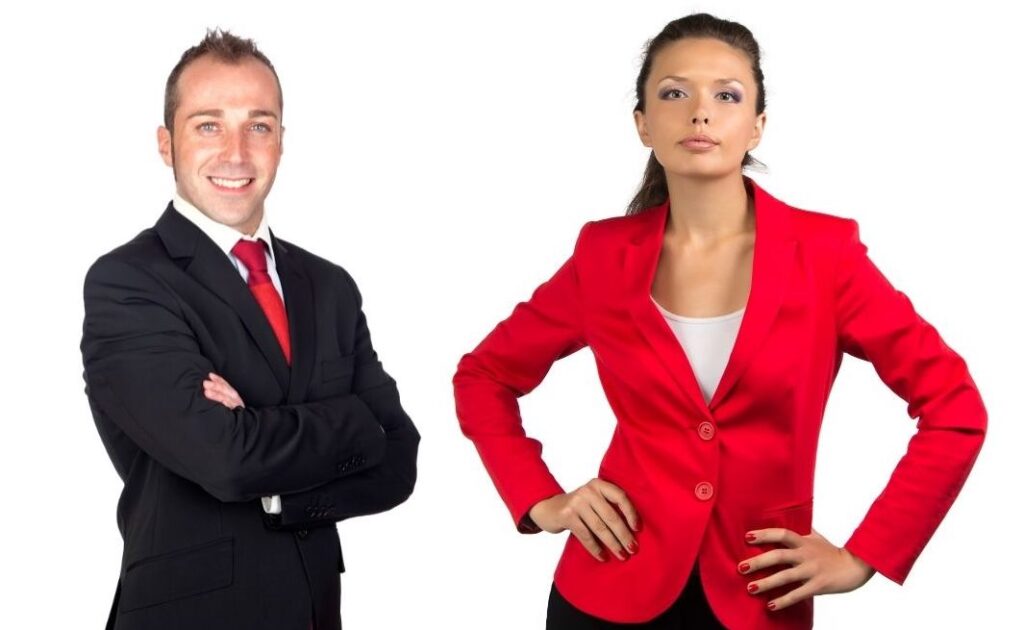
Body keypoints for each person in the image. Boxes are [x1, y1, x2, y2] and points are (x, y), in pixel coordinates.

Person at [452, 13, 986, 630]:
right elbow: (484, 374)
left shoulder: (825, 255)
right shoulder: (602, 255)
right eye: (674, 93)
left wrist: (867, 554)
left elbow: (954, 404)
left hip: (761, 594)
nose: (699, 112)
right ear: (643, 124)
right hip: (608, 590)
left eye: (727, 95)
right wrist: (541, 499)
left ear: (756, 126)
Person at [81, 30, 419, 630]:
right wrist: (350, 421)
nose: (236, 152)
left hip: (316, 612)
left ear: (282, 141)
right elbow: (225, 460)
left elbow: (398, 457)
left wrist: (265, 456)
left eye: (258, 126)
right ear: (167, 143)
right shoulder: (127, 282)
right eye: (208, 125)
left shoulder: (329, 285)